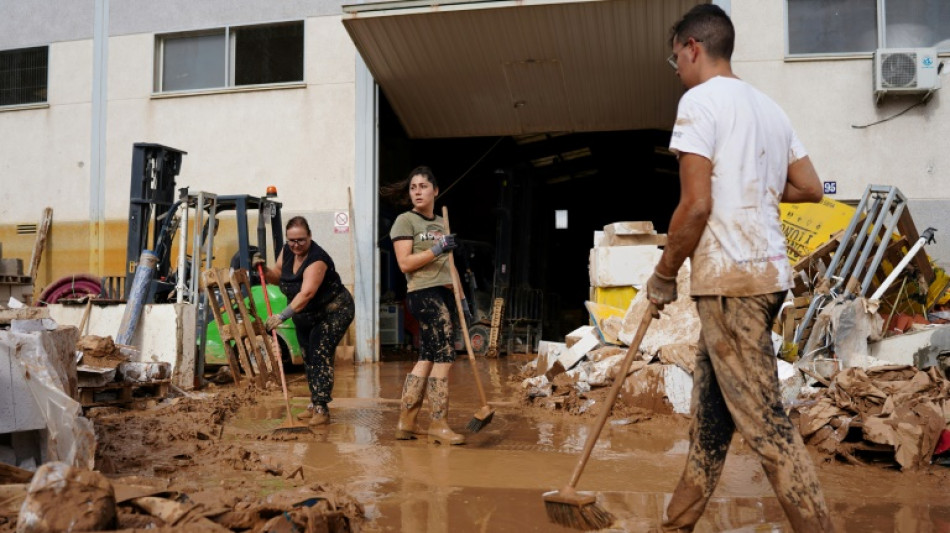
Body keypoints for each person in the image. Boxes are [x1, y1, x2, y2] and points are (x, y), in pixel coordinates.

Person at [647, 5, 834, 532]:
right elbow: (810, 187)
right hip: (766, 278)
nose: (677, 69)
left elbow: (695, 206)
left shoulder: (699, 102)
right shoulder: (769, 108)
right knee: (710, 421)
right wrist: (753, 184)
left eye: (675, 58)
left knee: (766, 426)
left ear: (692, 48)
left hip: (731, 282)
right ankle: (677, 523)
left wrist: (664, 273)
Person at [383, 165, 468, 445]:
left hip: (444, 293)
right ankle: (438, 425)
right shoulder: (405, 221)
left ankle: (406, 423)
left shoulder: (442, 223)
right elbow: (404, 263)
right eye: (413, 188)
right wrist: (437, 248)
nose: (417, 192)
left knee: (428, 357)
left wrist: (462, 298)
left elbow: (450, 265)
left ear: (435, 191)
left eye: (423, 187)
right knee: (445, 356)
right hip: (423, 293)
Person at [254, 216, 354, 426]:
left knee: (319, 352)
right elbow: (277, 276)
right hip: (306, 314)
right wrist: (263, 269)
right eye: (292, 240)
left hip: (333, 311)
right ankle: (313, 403)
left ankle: (321, 409)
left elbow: (306, 293)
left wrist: (281, 316)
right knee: (307, 356)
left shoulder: (317, 260)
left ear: (310, 236)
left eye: (301, 240)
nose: (296, 245)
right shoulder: (287, 251)